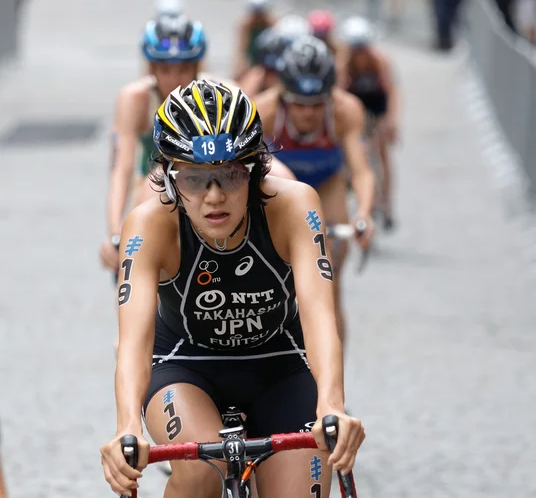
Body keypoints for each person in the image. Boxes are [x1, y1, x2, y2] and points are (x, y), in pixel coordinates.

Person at [100, 80, 365, 498]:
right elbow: (134, 339)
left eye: (230, 174)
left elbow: (319, 315)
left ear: (255, 168)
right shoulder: (149, 224)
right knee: (205, 467)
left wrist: (332, 404)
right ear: (169, 176)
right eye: (193, 179)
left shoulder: (295, 206)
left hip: (280, 363)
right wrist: (127, 425)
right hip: (184, 364)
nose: (213, 196)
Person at [255, 36, 375, 343]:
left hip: (326, 183)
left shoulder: (346, 110)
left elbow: (361, 171)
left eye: (316, 105)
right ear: (283, 95)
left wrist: (363, 214)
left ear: (330, 97)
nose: (308, 114)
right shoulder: (263, 111)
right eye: (298, 104)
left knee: (330, 283)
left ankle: (334, 379)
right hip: (281, 186)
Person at [99, 14, 208, 276]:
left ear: (197, 67)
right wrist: (115, 234)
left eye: (183, 69)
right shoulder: (134, 99)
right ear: (151, 69)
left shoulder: (216, 93)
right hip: (154, 191)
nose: (174, 79)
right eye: (165, 69)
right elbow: (121, 168)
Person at [338, 16, 400, 230]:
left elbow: (392, 92)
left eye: (363, 48)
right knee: (354, 149)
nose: (360, 53)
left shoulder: (379, 60)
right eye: (355, 49)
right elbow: (339, 95)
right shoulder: (344, 63)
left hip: (376, 107)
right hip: (356, 107)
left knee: (381, 153)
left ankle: (387, 204)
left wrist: (391, 121)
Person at [233, 0, 277, 81]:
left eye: (260, 12)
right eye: (255, 13)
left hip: (269, 66)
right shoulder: (245, 25)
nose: (257, 16)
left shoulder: (273, 24)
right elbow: (241, 51)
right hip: (253, 66)